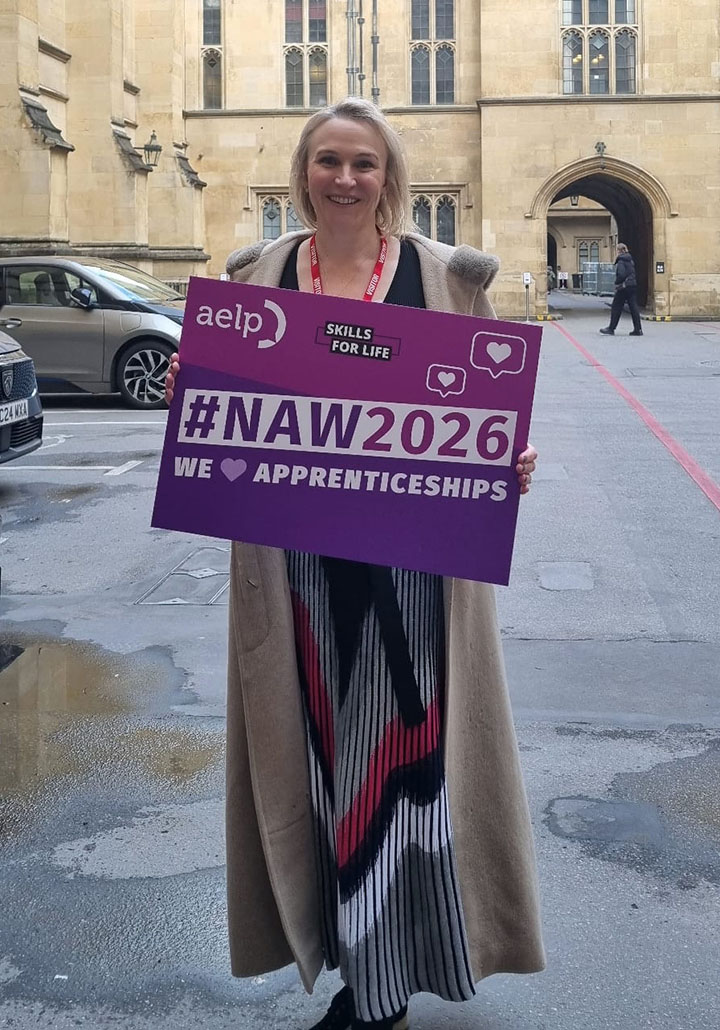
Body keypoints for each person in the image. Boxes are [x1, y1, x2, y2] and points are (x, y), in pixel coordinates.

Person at [165, 97, 544, 1030]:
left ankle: (379, 986)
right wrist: (194, 397)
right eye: (328, 160)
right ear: (303, 173)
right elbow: (234, 426)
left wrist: (506, 463)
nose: (344, 178)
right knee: (325, 772)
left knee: (405, 775)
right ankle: (365, 966)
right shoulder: (258, 276)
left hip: (414, 584)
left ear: (390, 177)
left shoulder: (444, 277)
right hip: (296, 579)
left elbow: (482, 424)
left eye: (363, 164)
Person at [599, 243, 643, 336]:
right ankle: (638, 329)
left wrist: (617, 283)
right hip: (632, 285)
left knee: (616, 306)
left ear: (618, 251)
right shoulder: (630, 260)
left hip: (624, 287)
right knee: (634, 307)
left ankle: (611, 328)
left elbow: (621, 274)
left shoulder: (621, 261)